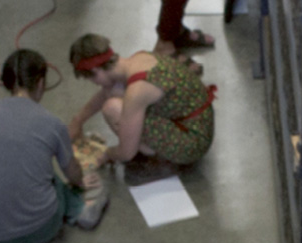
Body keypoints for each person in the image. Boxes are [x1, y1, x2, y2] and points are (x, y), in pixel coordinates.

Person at [0, 49, 106, 243]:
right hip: (39, 230)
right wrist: (79, 181)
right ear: (41, 83)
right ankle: (79, 209)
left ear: (7, 83)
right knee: (51, 177)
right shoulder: (52, 124)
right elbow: (71, 171)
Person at [66, 33, 215, 180]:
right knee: (114, 91)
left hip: (192, 144)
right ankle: (151, 149)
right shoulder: (137, 60)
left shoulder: (138, 89)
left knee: (112, 108)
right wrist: (78, 120)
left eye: (91, 79)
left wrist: (106, 155)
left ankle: (158, 160)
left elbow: (126, 153)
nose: (95, 84)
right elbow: (104, 92)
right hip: (197, 124)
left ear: (95, 71)